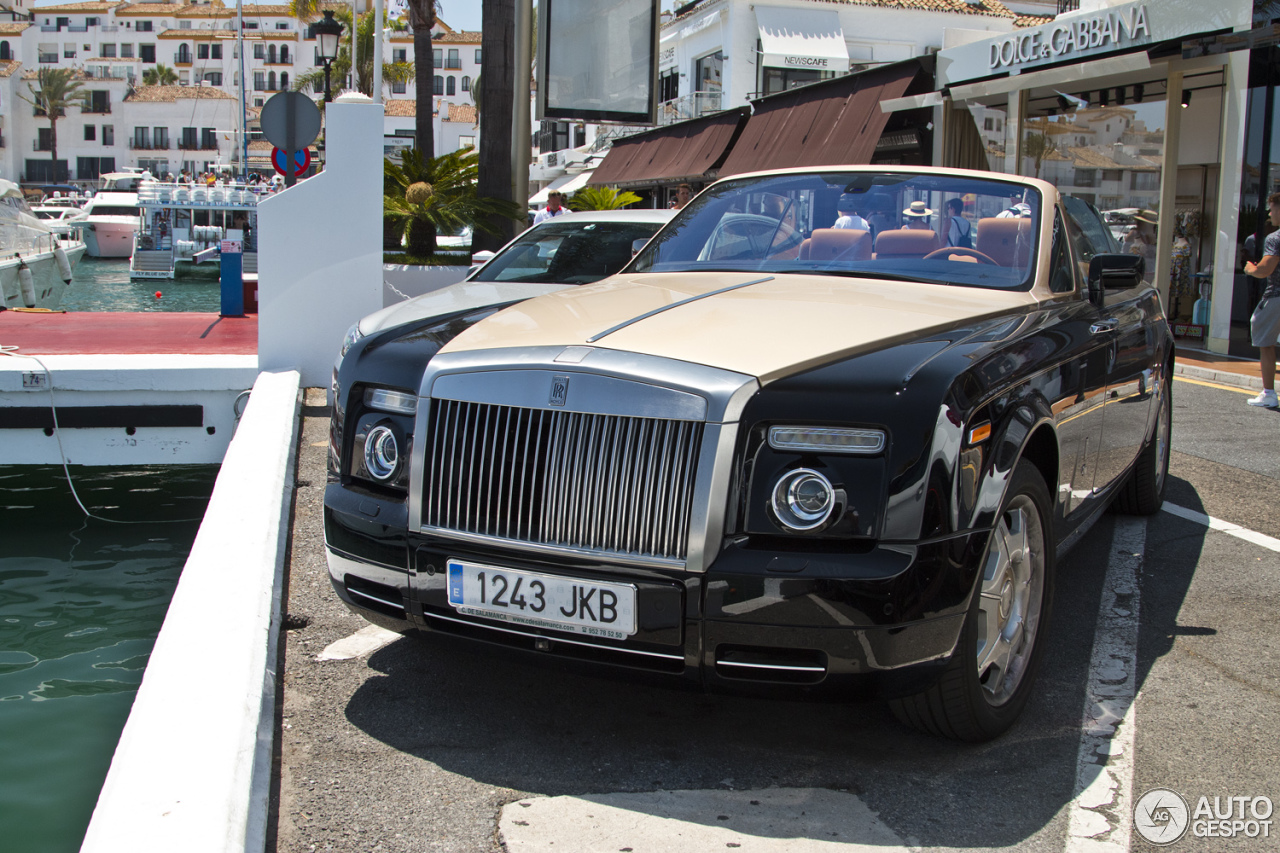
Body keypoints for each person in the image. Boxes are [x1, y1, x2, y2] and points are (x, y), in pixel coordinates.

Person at [1243, 192, 1280, 408]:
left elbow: (1265, 270)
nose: (1269, 213)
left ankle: (1268, 393)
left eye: (1272, 208)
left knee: (1265, 343)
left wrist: (1251, 268)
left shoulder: (1275, 238)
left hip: (1276, 297)